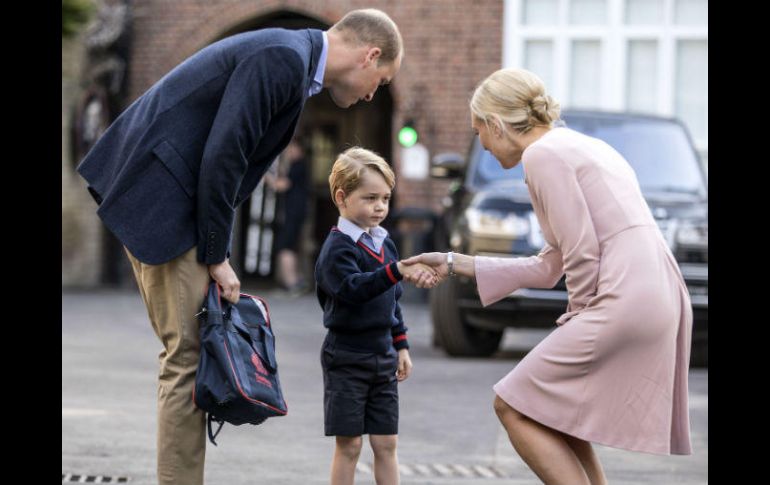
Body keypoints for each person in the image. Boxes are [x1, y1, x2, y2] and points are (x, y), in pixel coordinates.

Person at [75, 9, 403, 485]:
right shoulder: (283, 58)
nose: (376, 93)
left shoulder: (291, 58)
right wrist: (217, 254)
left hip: (166, 200)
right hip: (167, 205)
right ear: (370, 55)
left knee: (186, 356)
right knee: (187, 359)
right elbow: (224, 155)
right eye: (382, 79)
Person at [403, 68, 692, 485]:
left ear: (497, 125)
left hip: (624, 295)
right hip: (656, 290)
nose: (481, 144)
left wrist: (578, 313)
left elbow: (581, 250)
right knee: (557, 413)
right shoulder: (578, 146)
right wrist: (452, 262)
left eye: (478, 131)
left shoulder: (543, 155)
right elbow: (550, 263)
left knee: (512, 405)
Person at [315, 147, 437, 485]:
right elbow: (354, 289)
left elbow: (391, 300)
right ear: (342, 197)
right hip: (347, 357)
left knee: (386, 443)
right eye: (370, 198)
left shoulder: (385, 242)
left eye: (385, 198)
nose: (380, 206)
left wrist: (401, 345)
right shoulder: (337, 248)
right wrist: (396, 271)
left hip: (383, 357)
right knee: (350, 445)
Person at [265, 138, 310, 294]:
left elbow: (281, 185)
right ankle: (294, 281)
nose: (288, 152)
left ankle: (292, 284)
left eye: (291, 149)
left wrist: (264, 175)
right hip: (295, 212)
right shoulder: (298, 166)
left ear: (299, 150)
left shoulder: (298, 166)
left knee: (285, 246)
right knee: (289, 245)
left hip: (293, 212)